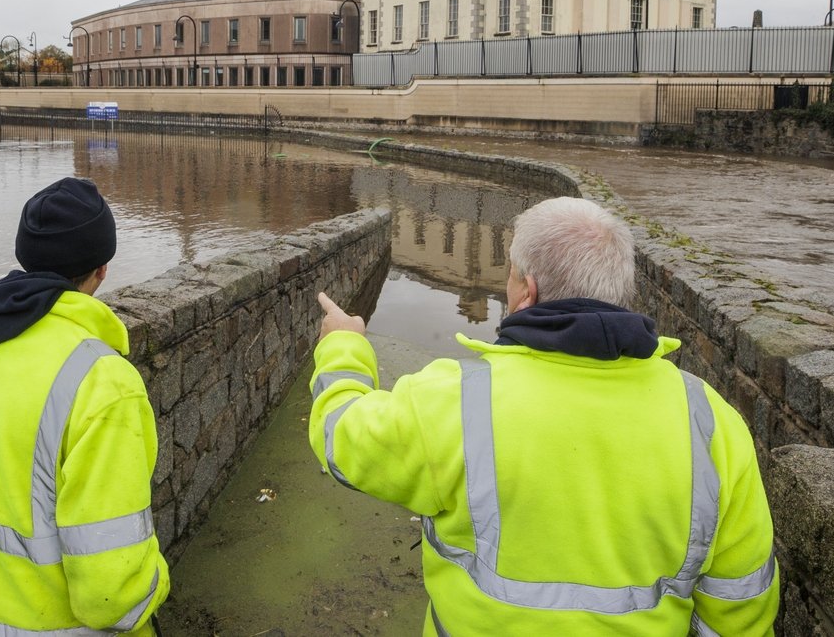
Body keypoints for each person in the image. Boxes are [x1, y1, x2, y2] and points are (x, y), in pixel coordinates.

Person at [309, 196, 778, 635]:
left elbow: (343, 440)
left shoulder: (451, 399)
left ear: (527, 291)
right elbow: (740, 605)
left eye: (509, 274)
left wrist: (343, 345)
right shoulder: (710, 420)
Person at [0, 177, 168, 635]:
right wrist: (157, 584)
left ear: (27, 256)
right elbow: (112, 592)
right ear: (102, 269)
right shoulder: (101, 380)